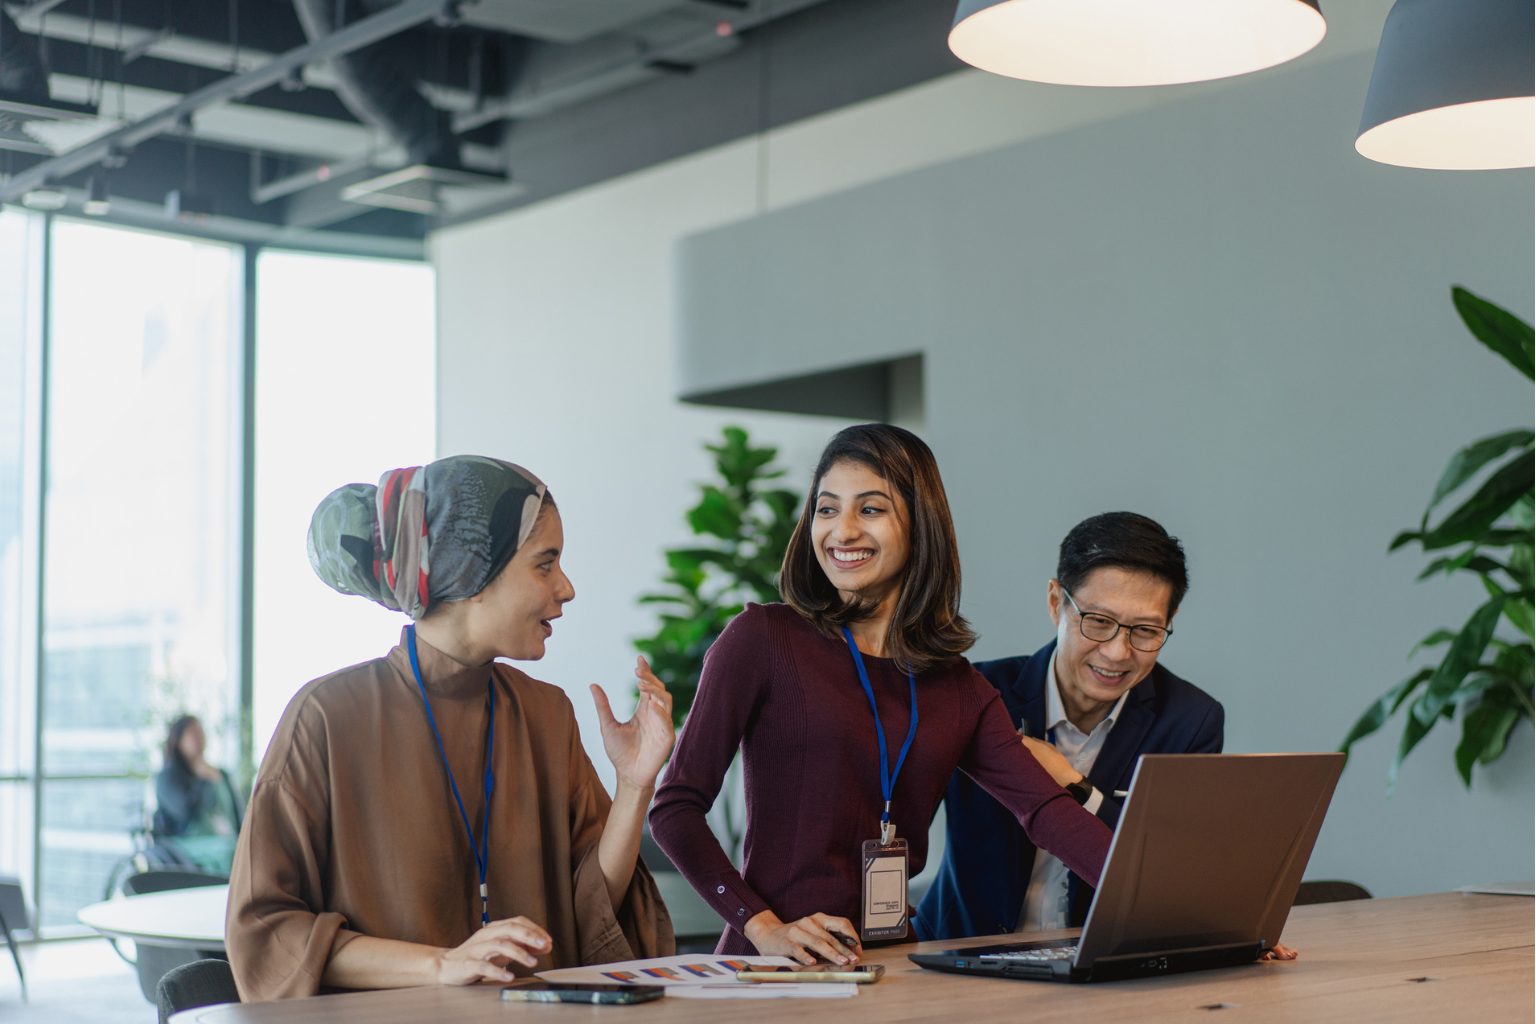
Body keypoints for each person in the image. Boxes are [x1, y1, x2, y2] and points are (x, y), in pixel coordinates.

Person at [649, 424, 1113, 965]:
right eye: (826, 509)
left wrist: (1167, 906)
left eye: (870, 509)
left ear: (921, 526)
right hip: (775, 969)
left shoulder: (959, 687)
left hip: (893, 971)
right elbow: (675, 809)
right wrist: (763, 926)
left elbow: (1048, 813)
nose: (842, 531)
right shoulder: (763, 639)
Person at [226, 456, 676, 1001]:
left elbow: (590, 912)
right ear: (471, 574)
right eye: (544, 564)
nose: (567, 588)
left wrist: (634, 786)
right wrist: (441, 965)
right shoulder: (323, 718)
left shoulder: (547, 715)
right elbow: (266, 931)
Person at [913, 512, 1295, 960]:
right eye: (1098, 621)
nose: (1117, 652)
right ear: (1056, 602)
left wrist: (1072, 783)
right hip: (963, 958)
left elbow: (1170, 867)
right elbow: (892, 821)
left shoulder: (1191, 720)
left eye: (1146, 631)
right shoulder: (976, 696)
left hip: (1104, 967)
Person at [152, 714, 244, 876]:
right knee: (231, 852)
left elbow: (237, 813)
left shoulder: (219, 774)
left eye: (201, 732)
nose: (199, 738)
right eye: (192, 733)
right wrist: (202, 780)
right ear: (178, 740)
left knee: (247, 849)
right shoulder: (168, 777)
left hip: (222, 838)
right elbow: (185, 812)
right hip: (183, 843)